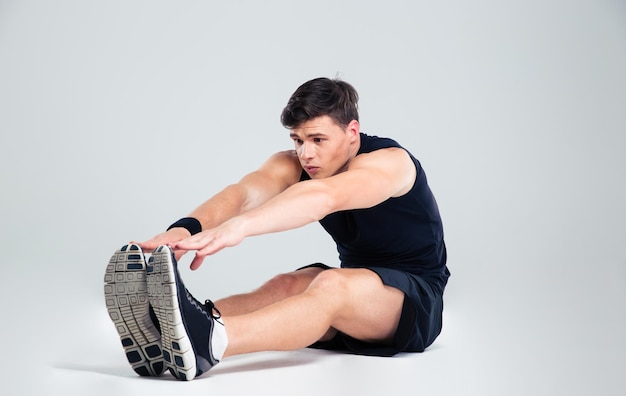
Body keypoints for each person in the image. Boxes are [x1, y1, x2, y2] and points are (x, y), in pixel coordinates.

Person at [103, 77, 450, 381]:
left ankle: (211, 342)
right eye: (298, 140)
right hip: (359, 291)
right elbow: (243, 194)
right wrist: (185, 229)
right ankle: (169, 330)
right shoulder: (294, 162)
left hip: (416, 302)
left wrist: (240, 228)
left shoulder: (390, 163)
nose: (306, 154)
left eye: (317, 139)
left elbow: (324, 197)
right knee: (288, 284)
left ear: (352, 132)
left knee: (330, 284)